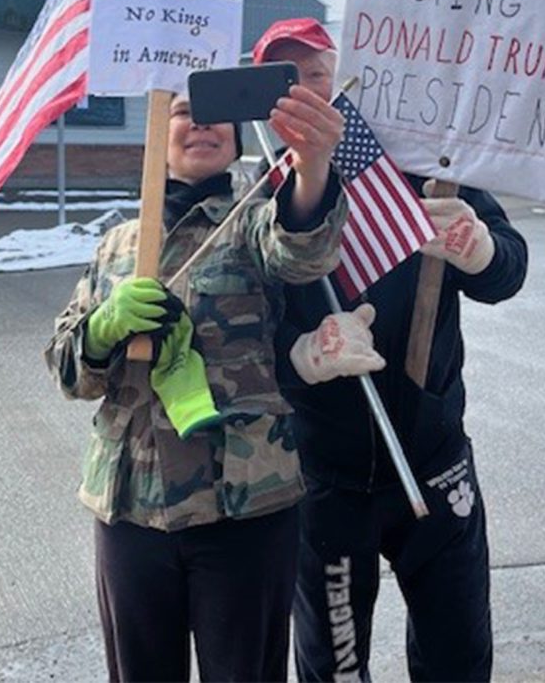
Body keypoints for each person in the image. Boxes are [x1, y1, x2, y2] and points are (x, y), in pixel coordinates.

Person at [254, 17, 529, 682]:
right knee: (336, 668)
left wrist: (480, 250)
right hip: (326, 480)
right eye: (285, 80)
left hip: (435, 462)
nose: (305, 91)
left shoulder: (427, 167)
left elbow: (508, 270)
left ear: (345, 77)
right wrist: (301, 357)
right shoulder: (260, 203)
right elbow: (246, 339)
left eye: (315, 73)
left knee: (457, 659)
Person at [45, 85, 347, 682]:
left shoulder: (255, 222)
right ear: (157, 133)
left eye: (215, 115)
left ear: (236, 138)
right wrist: (100, 331)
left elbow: (302, 253)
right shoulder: (117, 245)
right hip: (132, 509)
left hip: (244, 507)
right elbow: (67, 371)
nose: (200, 124)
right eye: (182, 112)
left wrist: (312, 166)